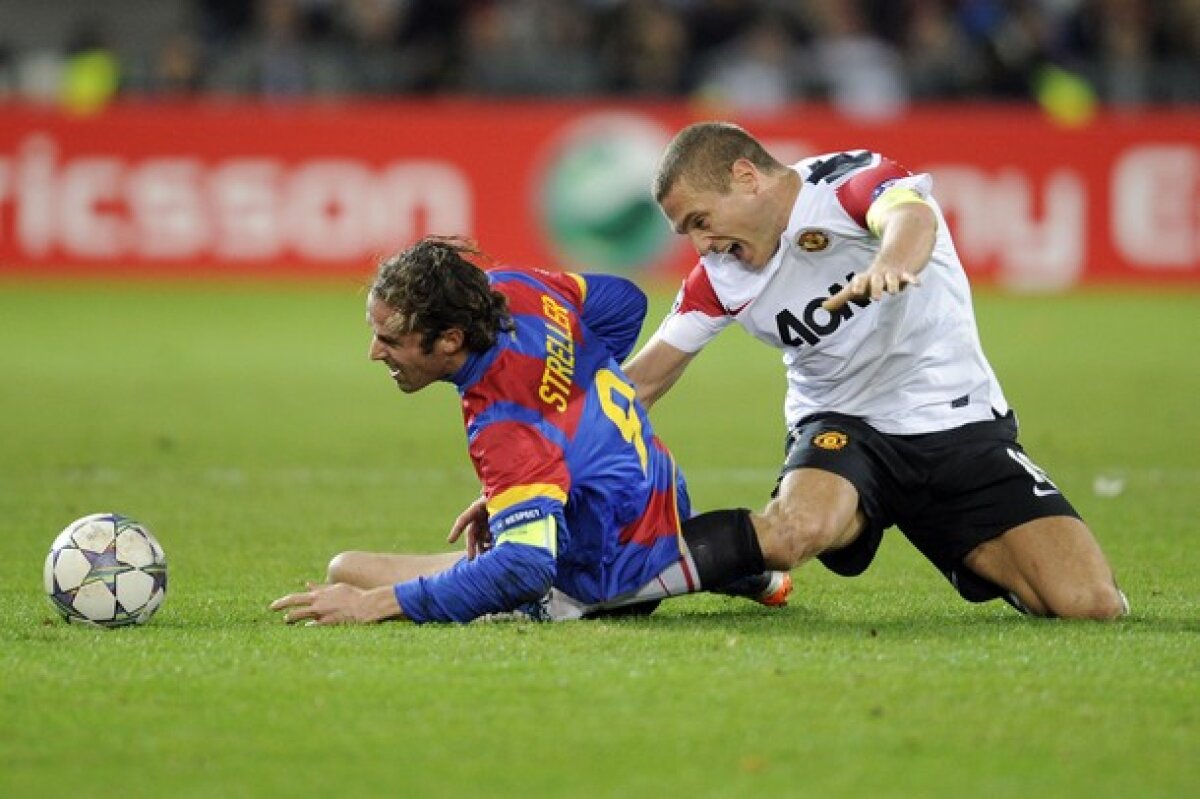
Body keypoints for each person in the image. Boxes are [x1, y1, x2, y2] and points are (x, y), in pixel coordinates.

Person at [620, 121, 1128, 620]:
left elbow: (912, 217)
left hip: (959, 423)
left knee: (1090, 604)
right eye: (688, 231)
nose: (701, 245)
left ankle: (928, 529)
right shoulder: (719, 278)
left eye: (700, 220)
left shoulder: (844, 186)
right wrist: (574, 428)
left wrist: (892, 262)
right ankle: (604, 582)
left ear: (746, 178)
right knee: (798, 529)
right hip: (844, 427)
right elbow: (643, 381)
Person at [270, 236, 789, 625]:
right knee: (349, 569)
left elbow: (524, 569)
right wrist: (572, 417)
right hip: (659, 489)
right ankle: (737, 572)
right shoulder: (515, 289)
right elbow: (626, 302)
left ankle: (703, 569)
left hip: (600, 573)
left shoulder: (504, 422)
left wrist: (373, 606)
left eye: (391, 339)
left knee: (352, 574)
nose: (374, 352)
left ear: (449, 340)